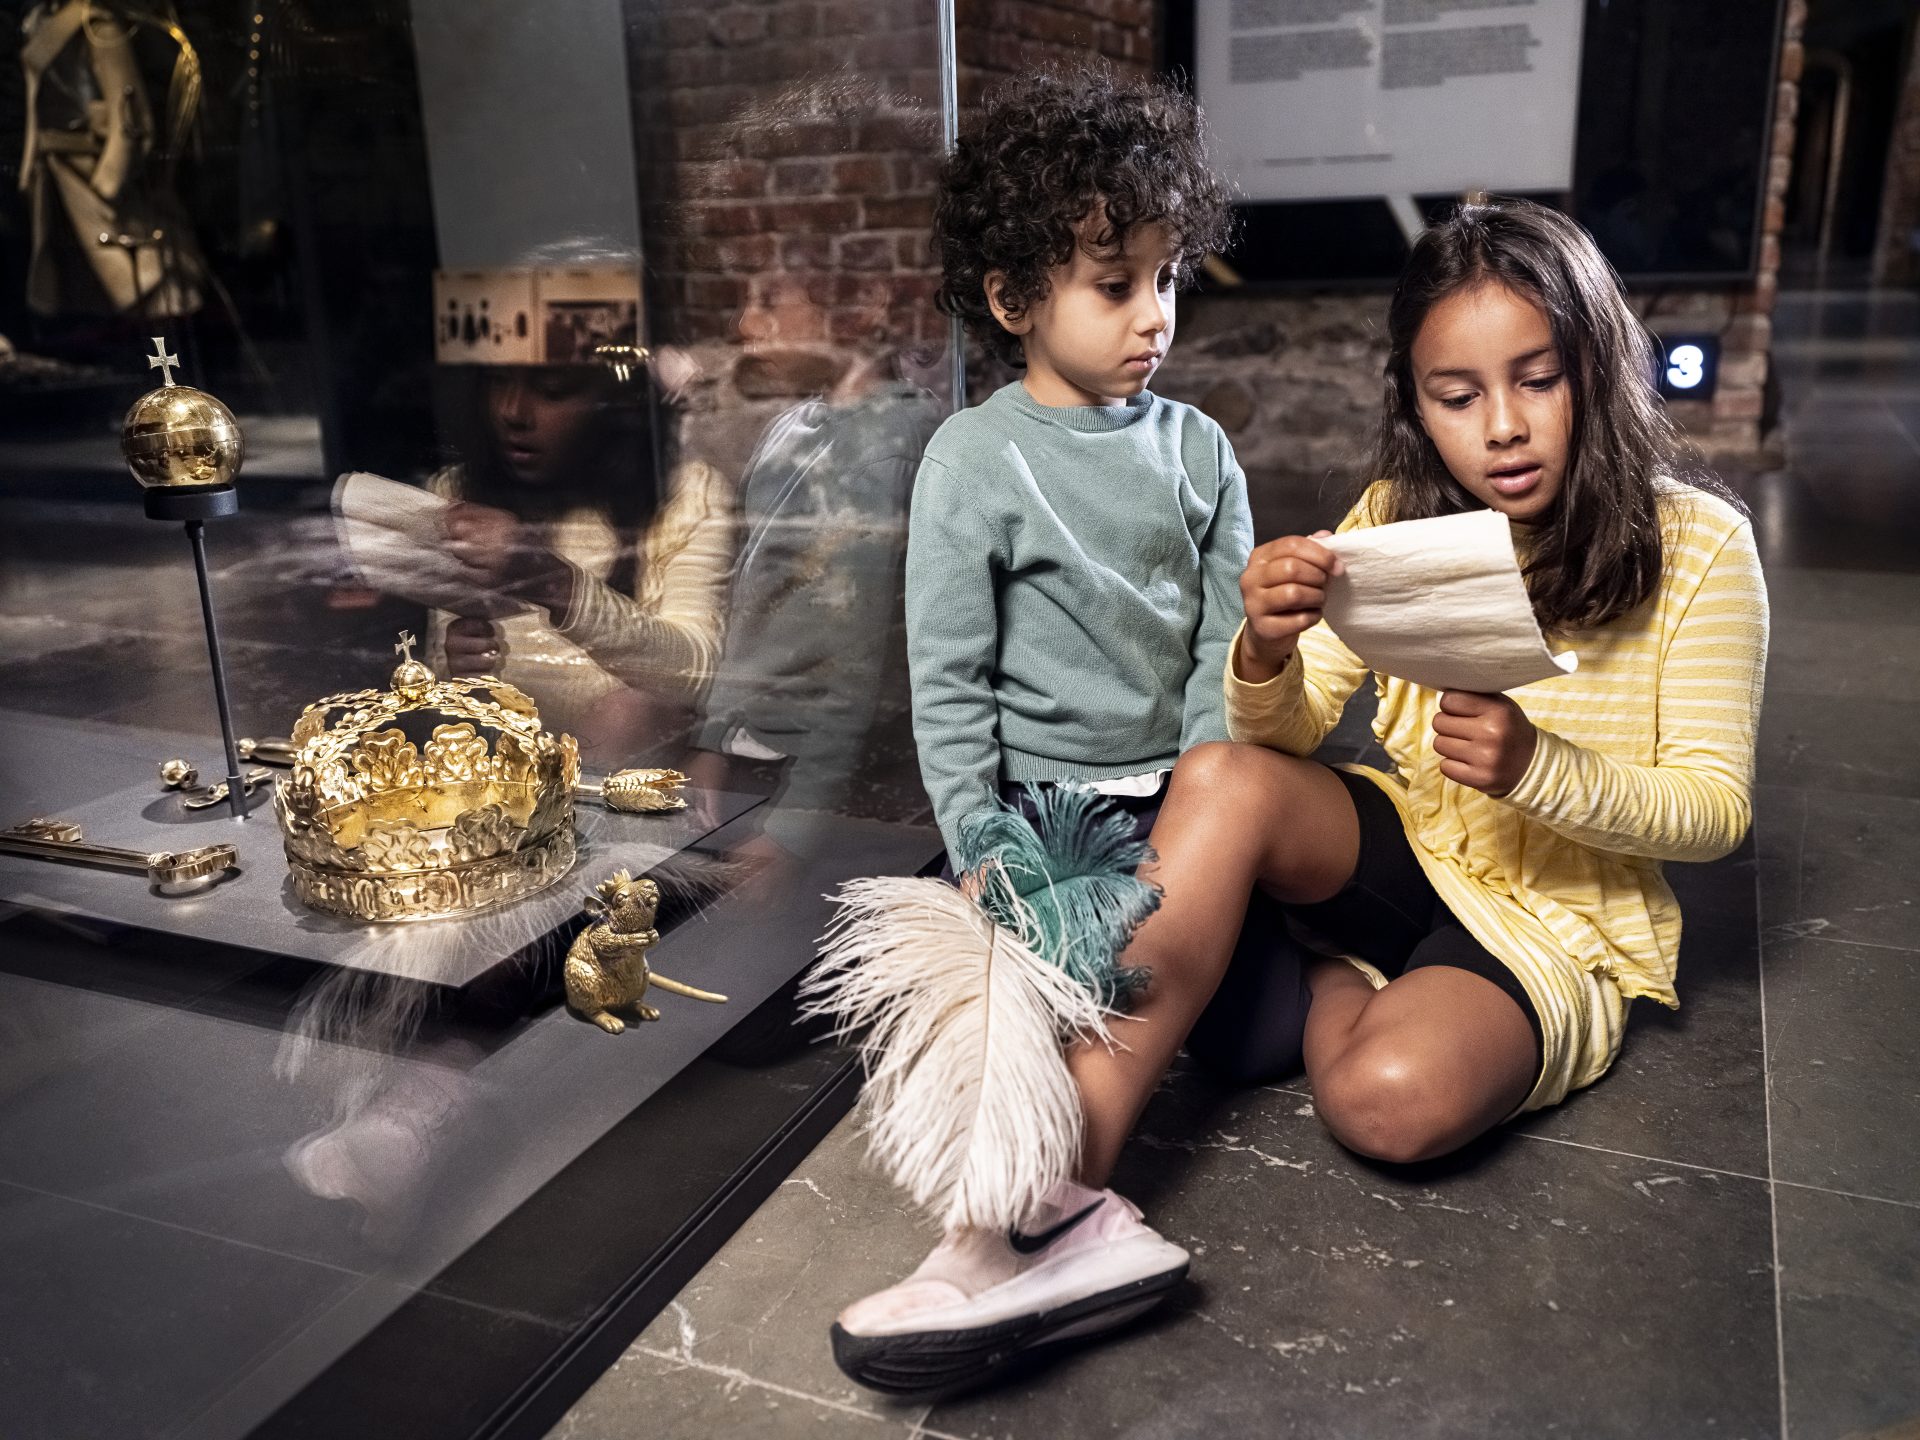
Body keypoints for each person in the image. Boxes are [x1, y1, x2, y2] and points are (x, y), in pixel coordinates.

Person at [829, 68, 1248, 1385]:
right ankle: (1010, 1226)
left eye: (1168, 278)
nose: (1154, 317)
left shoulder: (1200, 451)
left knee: (1154, 986)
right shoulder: (972, 459)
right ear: (1014, 300)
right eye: (1114, 284)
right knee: (1033, 1012)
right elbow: (947, 680)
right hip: (1040, 818)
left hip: (1179, 800)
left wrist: (1193, 799)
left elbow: (1223, 659)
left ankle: (1020, 1238)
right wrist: (979, 837)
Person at [424, 353, 734, 764]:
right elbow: (431, 687)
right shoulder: (456, 490)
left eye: (553, 390)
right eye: (497, 380)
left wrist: (552, 581)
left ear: (616, 401)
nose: (511, 412)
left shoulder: (690, 496)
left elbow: (696, 675)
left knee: (630, 713)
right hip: (494, 772)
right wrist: (456, 670)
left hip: (613, 783)